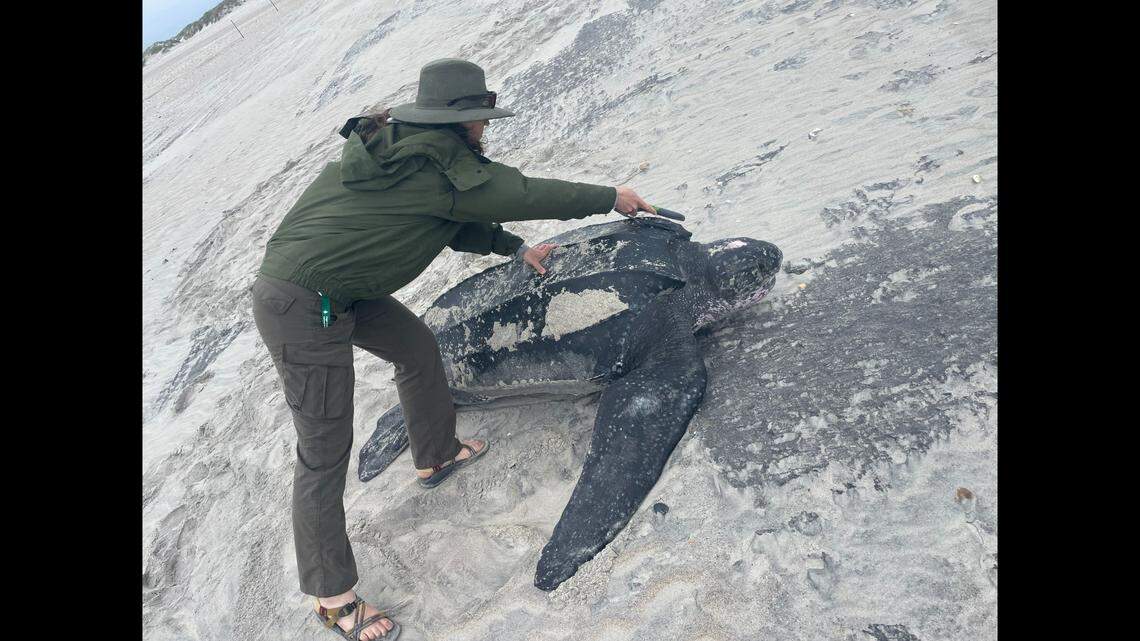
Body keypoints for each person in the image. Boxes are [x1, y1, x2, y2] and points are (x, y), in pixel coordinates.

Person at [251, 58, 656, 640]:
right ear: (459, 120)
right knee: (322, 448)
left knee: (416, 348)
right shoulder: (431, 167)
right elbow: (516, 192)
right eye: (480, 119)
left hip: (341, 287)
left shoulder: (404, 149)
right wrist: (609, 196)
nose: (485, 128)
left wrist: (513, 247)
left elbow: (454, 216)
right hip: (302, 305)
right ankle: (332, 597)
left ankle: (435, 454)